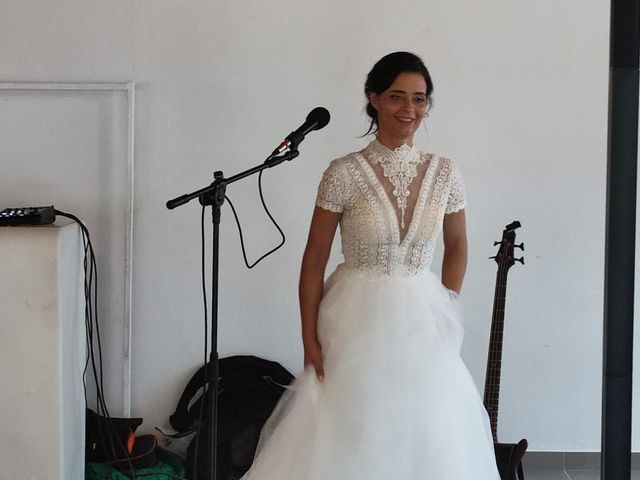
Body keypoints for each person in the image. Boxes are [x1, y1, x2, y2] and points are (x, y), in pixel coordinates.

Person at [241, 51, 501, 479]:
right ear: (374, 98)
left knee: (427, 424)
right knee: (352, 427)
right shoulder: (343, 172)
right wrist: (308, 340)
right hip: (352, 317)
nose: (409, 109)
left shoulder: (445, 172)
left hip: (423, 315)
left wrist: (448, 306)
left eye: (420, 99)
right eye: (398, 96)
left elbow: (457, 245)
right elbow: (313, 261)